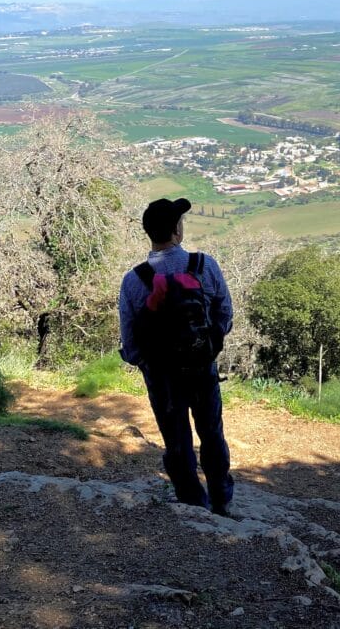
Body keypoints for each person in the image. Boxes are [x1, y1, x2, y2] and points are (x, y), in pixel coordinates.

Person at [119, 197, 235, 516]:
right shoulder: (203, 266)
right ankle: (221, 497)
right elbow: (225, 313)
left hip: (161, 377)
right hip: (201, 369)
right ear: (176, 231)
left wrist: (146, 363)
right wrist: (208, 344)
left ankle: (192, 501)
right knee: (211, 432)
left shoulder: (133, 281)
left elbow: (129, 344)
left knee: (177, 438)